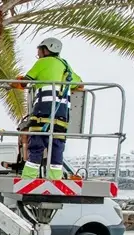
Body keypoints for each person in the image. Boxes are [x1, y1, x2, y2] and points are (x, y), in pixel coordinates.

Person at [12, 37, 83, 180]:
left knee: (36, 146)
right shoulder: (65, 65)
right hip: (62, 116)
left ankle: (28, 178)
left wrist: (15, 82)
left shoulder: (42, 63)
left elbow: (26, 82)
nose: (38, 53)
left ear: (46, 50)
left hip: (42, 112)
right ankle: (55, 179)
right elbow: (80, 85)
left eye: (39, 50)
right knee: (57, 148)